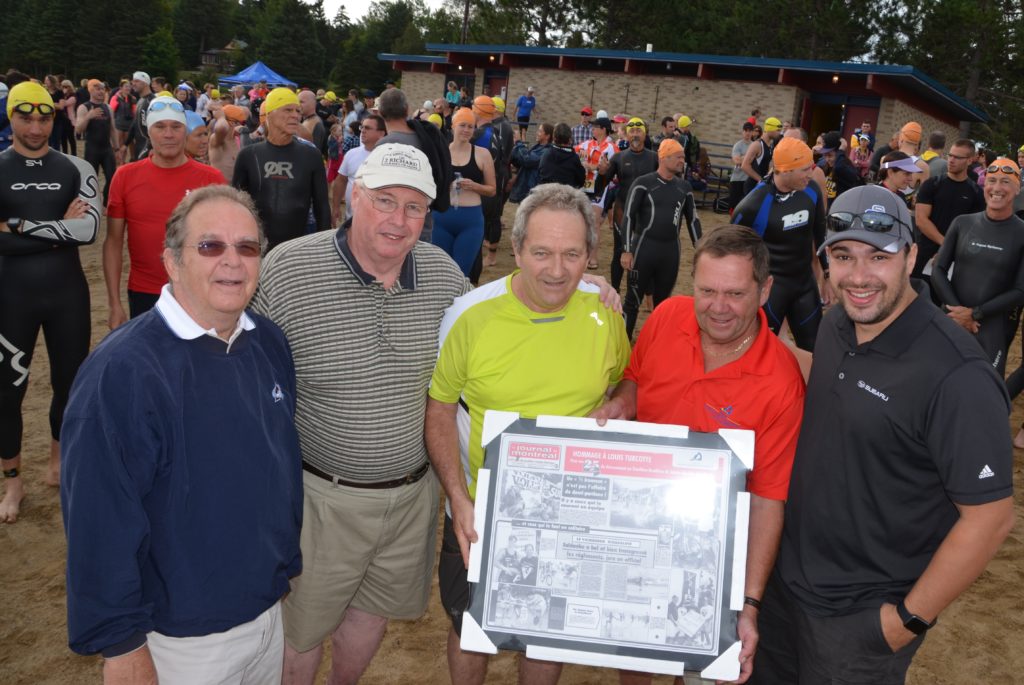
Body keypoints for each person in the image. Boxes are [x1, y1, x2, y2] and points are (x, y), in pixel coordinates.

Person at [754, 184, 1014, 684]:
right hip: (786, 586)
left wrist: (907, 621)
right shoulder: (839, 325)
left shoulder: (957, 375)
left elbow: (990, 519)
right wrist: (744, 335)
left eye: (879, 256)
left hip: (862, 616)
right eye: (844, 255)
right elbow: (827, 376)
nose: (859, 276)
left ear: (913, 255)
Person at [61, 185, 303, 683]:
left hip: (265, 615)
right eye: (210, 246)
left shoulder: (267, 342)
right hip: (180, 642)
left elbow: (274, 470)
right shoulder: (123, 372)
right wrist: (121, 645)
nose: (232, 262)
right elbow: (97, 521)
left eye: (248, 247)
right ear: (171, 262)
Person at [252, 144, 466, 685]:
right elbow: (240, 365)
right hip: (323, 498)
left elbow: (504, 316)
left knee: (371, 612)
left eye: (414, 207)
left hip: (412, 497)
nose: (398, 220)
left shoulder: (442, 276)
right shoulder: (290, 267)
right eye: (384, 201)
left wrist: (590, 287)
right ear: (353, 197)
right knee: (300, 630)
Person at [426, 182, 630, 685]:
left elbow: (626, 378)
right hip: (481, 508)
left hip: (574, 512)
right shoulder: (469, 316)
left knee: (547, 630)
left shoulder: (606, 313)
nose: (557, 270)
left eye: (571, 254)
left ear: (590, 254)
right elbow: (438, 407)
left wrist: (624, 401)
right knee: (470, 627)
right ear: (516, 250)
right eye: (541, 252)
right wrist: (458, 498)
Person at [591, 225, 806, 685]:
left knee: (704, 676)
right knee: (637, 654)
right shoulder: (668, 316)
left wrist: (748, 604)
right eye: (707, 290)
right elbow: (634, 377)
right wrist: (622, 403)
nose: (718, 307)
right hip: (637, 532)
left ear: (765, 290)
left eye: (735, 293)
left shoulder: (781, 381)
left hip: (713, 557)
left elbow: (769, 497)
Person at [0, 81, 100, 524]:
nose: (36, 127)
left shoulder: (76, 167)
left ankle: (58, 463)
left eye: (43, 118)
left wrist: (15, 227)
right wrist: (56, 229)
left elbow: (88, 231)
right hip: (10, 297)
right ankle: (13, 482)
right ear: (11, 117)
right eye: (26, 117)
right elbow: (68, 233)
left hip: (67, 297)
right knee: (7, 393)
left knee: (69, 385)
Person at [104, 95, 226, 327]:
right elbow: (113, 242)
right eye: (160, 127)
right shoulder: (125, 176)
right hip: (144, 292)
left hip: (198, 290)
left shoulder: (211, 178)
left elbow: (225, 241)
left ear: (184, 131)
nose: (168, 134)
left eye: (176, 127)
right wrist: (114, 303)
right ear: (148, 131)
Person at [929, 158, 1024, 377]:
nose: (997, 188)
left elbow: (1020, 291)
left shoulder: (1021, 233)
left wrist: (975, 314)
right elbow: (939, 269)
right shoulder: (963, 223)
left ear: (1017, 188)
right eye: (992, 181)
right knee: (935, 382)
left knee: (982, 391)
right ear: (984, 185)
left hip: (990, 327)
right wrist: (959, 312)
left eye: (1005, 182)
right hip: (952, 317)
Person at [732, 137, 827, 351]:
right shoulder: (753, 204)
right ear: (785, 171)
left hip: (804, 285)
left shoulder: (811, 191)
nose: (810, 174)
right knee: (762, 350)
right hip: (771, 289)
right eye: (804, 169)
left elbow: (820, 233)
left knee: (815, 349)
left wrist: (827, 275)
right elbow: (730, 250)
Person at [620, 139, 702, 339]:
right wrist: (626, 250)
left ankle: (655, 346)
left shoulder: (684, 187)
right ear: (664, 158)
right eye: (679, 157)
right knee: (632, 302)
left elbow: (693, 221)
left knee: (663, 304)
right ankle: (622, 346)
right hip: (643, 249)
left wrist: (702, 251)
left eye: (683, 156)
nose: (683, 160)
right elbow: (628, 216)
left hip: (670, 252)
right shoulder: (643, 183)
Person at [232, 88, 330, 250]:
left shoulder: (311, 155)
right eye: (288, 110)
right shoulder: (249, 155)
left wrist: (323, 247)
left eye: (298, 111)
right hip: (256, 247)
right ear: (269, 114)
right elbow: (235, 204)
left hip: (295, 249)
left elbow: (322, 206)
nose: (295, 115)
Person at [378, 87, 455, 242]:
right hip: (423, 219)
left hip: (393, 224)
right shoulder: (427, 137)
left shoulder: (384, 147)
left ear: (380, 113)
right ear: (407, 110)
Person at [431, 107, 496, 275]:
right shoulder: (440, 152)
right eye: (462, 125)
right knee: (440, 271)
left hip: (470, 221)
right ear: (453, 126)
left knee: (461, 273)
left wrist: (475, 186)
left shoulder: (483, 154)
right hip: (442, 218)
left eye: (471, 126)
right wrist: (446, 186)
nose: (467, 130)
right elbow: (429, 186)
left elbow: (492, 190)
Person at [599, 117, 661, 292]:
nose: (635, 134)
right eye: (631, 131)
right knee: (620, 250)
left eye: (638, 131)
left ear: (645, 134)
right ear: (626, 135)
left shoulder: (655, 158)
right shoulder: (618, 158)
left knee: (643, 253)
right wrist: (602, 173)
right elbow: (602, 185)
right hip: (622, 210)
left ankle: (638, 291)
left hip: (646, 213)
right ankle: (615, 290)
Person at [912, 138, 984, 288]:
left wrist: (949, 251)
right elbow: (921, 219)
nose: (951, 160)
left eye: (958, 157)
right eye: (950, 155)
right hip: (924, 253)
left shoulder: (976, 193)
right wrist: (945, 244)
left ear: (970, 160)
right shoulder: (932, 184)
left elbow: (974, 229)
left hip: (955, 257)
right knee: (915, 296)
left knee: (942, 302)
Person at [577, 116, 618, 270]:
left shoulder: (611, 147)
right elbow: (578, 157)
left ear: (603, 129)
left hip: (601, 186)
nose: (592, 129)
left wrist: (591, 166)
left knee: (594, 223)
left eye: (595, 127)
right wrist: (590, 165)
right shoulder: (587, 143)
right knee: (582, 221)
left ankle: (593, 258)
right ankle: (582, 255)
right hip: (584, 185)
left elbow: (607, 168)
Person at [332, 113, 385, 224]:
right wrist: (336, 207)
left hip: (378, 222)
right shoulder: (351, 154)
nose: (363, 130)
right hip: (351, 219)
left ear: (381, 133)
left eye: (368, 128)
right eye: (362, 127)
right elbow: (341, 180)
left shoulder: (388, 157)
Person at [75, 78, 119, 206]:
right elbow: (78, 129)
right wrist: (89, 116)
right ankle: (91, 203)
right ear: (90, 90)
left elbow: (113, 129)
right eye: (97, 88)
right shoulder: (84, 107)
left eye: (102, 89)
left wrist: (117, 149)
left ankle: (105, 203)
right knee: (90, 179)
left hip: (106, 148)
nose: (100, 91)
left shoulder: (108, 108)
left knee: (112, 177)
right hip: (92, 149)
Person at [509, 122, 552, 203]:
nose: (537, 133)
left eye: (540, 131)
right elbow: (522, 162)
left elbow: (527, 160)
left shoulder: (546, 151)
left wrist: (518, 142)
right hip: (525, 189)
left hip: (531, 192)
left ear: (547, 136)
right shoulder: (537, 147)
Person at [740, 116, 782, 195]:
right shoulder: (757, 145)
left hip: (762, 185)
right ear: (770, 129)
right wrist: (760, 180)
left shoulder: (771, 145)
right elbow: (744, 166)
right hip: (752, 186)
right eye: (778, 130)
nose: (779, 133)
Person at [819, 130, 864, 202]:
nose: (827, 159)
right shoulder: (826, 167)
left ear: (839, 153)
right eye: (825, 155)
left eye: (830, 155)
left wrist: (841, 150)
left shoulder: (844, 168)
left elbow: (839, 168)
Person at [208, 102, 249, 180]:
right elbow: (222, 128)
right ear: (233, 123)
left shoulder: (237, 138)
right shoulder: (218, 141)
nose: (244, 126)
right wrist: (220, 117)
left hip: (234, 190)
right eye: (242, 122)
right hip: (220, 190)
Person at [538, 123, 585, 188]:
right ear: (569, 140)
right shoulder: (574, 158)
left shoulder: (546, 153)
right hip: (566, 195)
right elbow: (581, 181)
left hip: (546, 194)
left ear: (554, 138)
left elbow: (540, 174)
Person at [126, 70, 154, 160]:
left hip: (148, 148)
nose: (133, 83)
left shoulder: (153, 101)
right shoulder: (140, 101)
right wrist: (125, 144)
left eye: (137, 81)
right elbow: (135, 124)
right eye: (133, 81)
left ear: (145, 83)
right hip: (139, 146)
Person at [730, 122, 755, 211]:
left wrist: (742, 157)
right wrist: (750, 156)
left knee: (745, 206)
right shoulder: (738, 145)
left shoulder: (754, 145)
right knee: (734, 205)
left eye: (750, 131)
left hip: (748, 179)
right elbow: (736, 161)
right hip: (737, 178)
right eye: (745, 131)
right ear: (742, 132)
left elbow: (754, 160)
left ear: (753, 132)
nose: (747, 133)